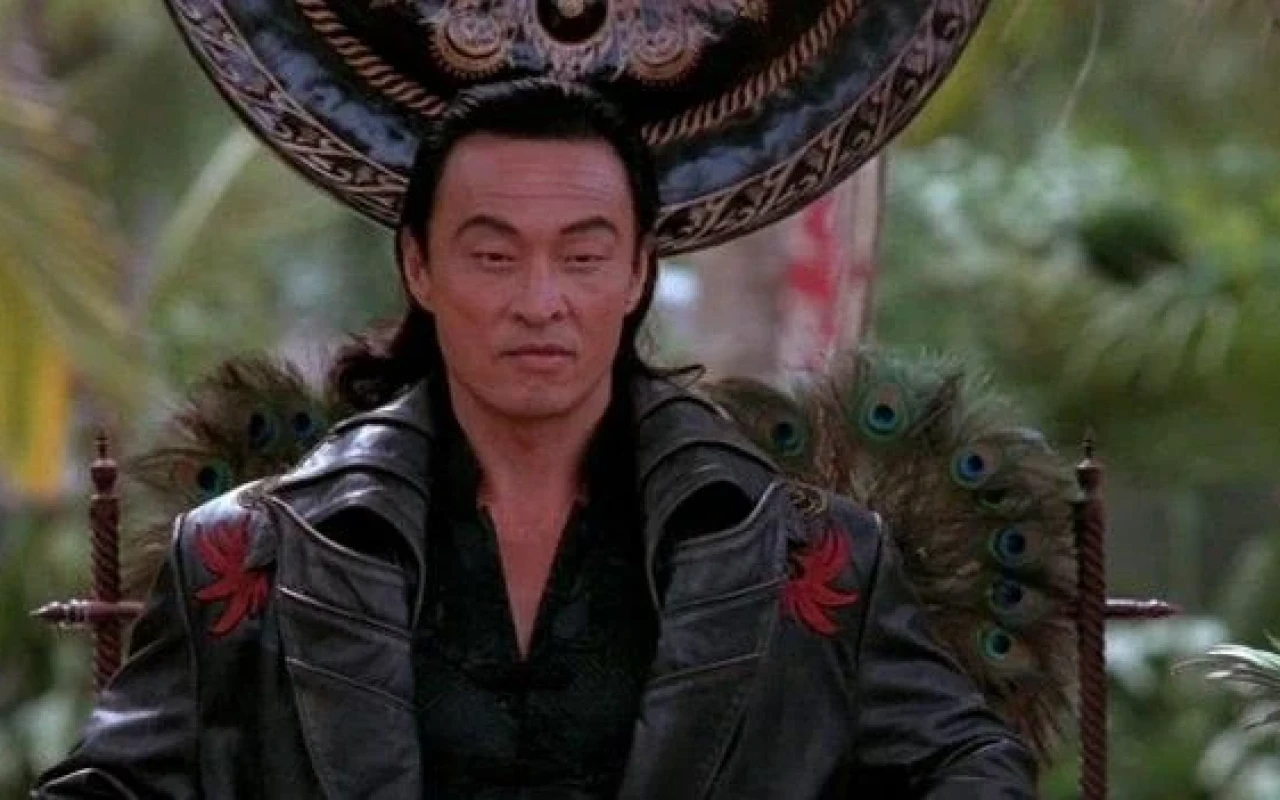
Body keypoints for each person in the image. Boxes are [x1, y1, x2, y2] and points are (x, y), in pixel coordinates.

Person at [34, 78, 1037, 799]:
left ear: (637, 272)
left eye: (582, 256)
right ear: (419, 267)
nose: (540, 301)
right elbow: (113, 783)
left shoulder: (805, 554)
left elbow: (970, 763)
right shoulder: (248, 552)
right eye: (493, 256)